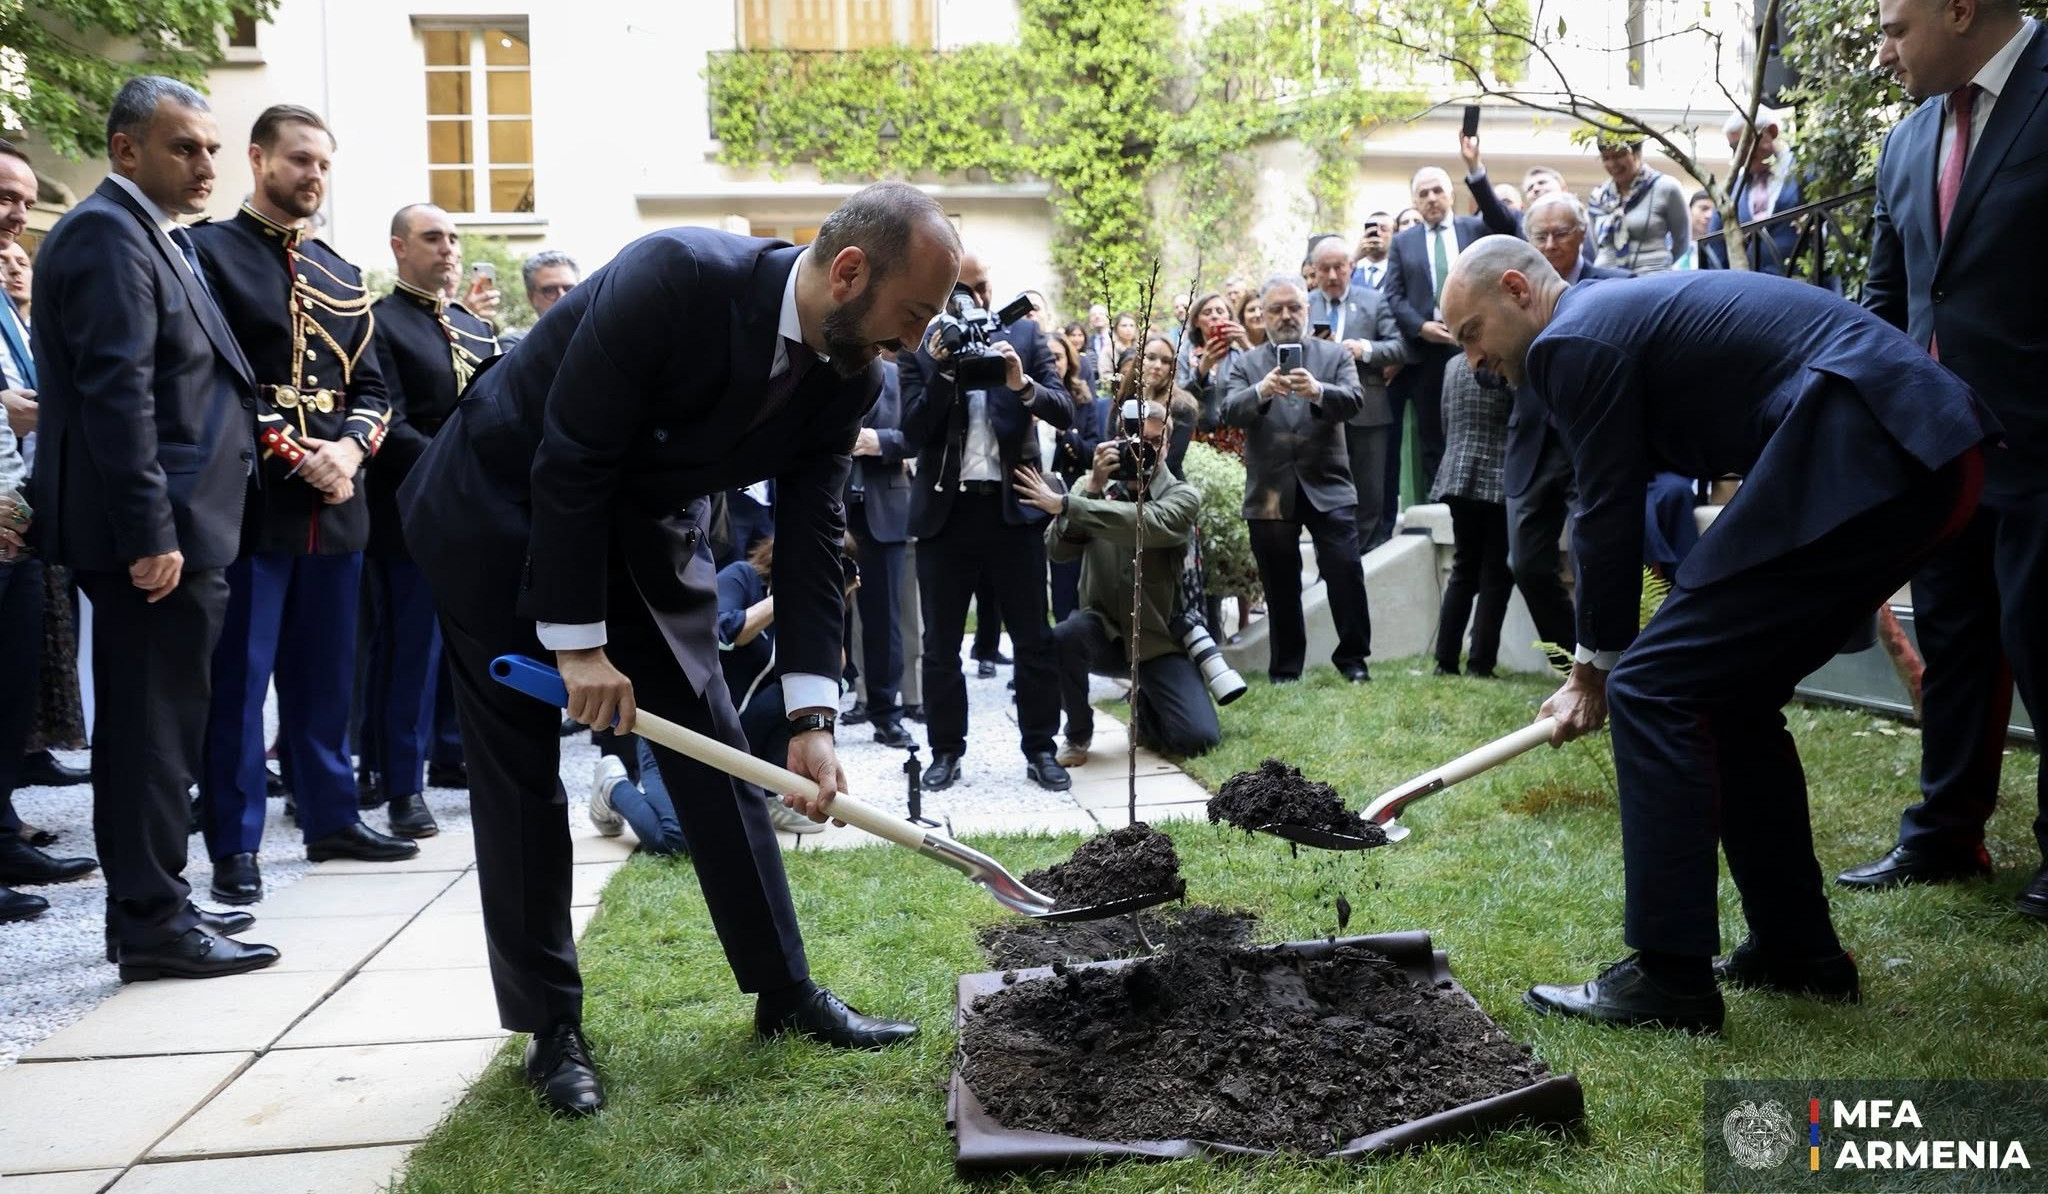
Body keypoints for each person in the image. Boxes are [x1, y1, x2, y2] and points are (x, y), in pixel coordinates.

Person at [401, 181, 955, 1115]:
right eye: (913, 314)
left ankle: (784, 993)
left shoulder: (854, 370)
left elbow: (815, 534)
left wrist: (815, 715)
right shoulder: (678, 275)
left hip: (644, 529)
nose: (916, 339)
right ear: (851, 272)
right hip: (498, 509)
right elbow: (571, 455)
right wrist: (577, 648)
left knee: (719, 747)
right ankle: (553, 1030)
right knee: (520, 772)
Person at [1443, 238, 1995, 1032]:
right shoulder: (1604, 320)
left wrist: (1594, 668)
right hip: (1921, 454)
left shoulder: (1571, 338)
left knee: (1653, 686)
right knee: (1727, 697)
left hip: (1877, 446)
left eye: (1469, 333)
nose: (1469, 360)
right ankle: (1797, 951)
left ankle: (1669, 977)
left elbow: (1605, 508)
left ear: (1518, 290)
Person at [30, 76, 277, 979]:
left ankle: (156, 903)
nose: (207, 163)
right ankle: (150, 923)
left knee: (163, 724)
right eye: (186, 147)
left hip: (187, 524)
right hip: (155, 537)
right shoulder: (104, 234)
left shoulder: (150, 234)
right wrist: (149, 532)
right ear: (127, 149)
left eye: (212, 147)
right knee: (148, 731)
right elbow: (116, 395)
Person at [1842, 0, 2047, 921]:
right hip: (1944, 452)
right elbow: (1890, 301)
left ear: (1961, 10)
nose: (1883, 51)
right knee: (1957, 640)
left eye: (1894, 28)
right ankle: (1945, 834)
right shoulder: (1908, 140)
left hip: (2043, 445)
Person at [189, 105, 419, 902]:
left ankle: (330, 818)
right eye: (298, 161)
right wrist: (301, 455)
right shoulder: (205, 253)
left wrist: (350, 450)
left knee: (328, 681)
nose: (312, 176)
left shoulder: (342, 273)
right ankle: (235, 842)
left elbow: (374, 387)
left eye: (323, 163)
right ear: (258, 160)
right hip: (255, 504)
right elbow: (213, 381)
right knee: (240, 685)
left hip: (339, 504)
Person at [899, 251, 1075, 793]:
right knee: (941, 646)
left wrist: (1021, 384)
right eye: (959, 290)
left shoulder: (1021, 336)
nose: (971, 299)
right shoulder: (921, 347)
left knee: (1033, 638)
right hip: (944, 515)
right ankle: (946, 751)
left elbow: (1063, 408)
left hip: (1012, 509)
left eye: (978, 287)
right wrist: (944, 371)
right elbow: (910, 433)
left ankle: (1041, 749)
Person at [360, 202, 500, 836]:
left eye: (452, 238)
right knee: (410, 655)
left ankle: (454, 752)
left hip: (473, 515)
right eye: (432, 238)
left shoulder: (471, 327)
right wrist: (460, 471)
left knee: (470, 649)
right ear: (399, 248)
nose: (447, 249)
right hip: (410, 513)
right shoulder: (378, 322)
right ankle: (401, 786)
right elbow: (387, 425)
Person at [0, 141, 98, 919]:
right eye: (4, 194)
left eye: (25, 201)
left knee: (12, 684)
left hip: (18, 513)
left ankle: (2, 828)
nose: (15, 214)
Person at [1021, 399, 1220, 766]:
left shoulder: (1181, 495)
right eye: (1134, 440)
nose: (1141, 449)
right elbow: (1058, 551)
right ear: (1117, 440)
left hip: (1160, 640)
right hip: (1105, 632)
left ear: (1166, 445)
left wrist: (1070, 504)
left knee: (1197, 739)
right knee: (1065, 635)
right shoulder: (1091, 487)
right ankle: (1078, 732)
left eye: (1152, 442)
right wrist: (1093, 486)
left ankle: (1145, 706)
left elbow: (1145, 523)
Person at [1221, 278, 1371, 683]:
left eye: (1294, 308)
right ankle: (1286, 670)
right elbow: (1229, 411)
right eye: (1276, 309)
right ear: (1263, 316)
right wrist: (1261, 391)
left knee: (1345, 573)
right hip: (1270, 491)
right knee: (1280, 584)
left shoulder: (1334, 354)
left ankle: (1354, 661)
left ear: (1307, 309)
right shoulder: (1246, 363)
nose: (1286, 316)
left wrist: (1319, 391)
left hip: (1329, 484)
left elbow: (1355, 402)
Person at [1502, 193, 1633, 655]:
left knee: (1592, 557)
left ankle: (1603, 665)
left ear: (1582, 234)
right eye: (1541, 235)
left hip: (1594, 438)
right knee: (1526, 562)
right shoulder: (1512, 294)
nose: (1551, 243)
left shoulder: (1615, 287)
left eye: (1561, 233)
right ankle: (1571, 665)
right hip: (1534, 441)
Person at [1381, 167, 1490, 545]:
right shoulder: (1403, 242)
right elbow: (1393, 294)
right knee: (1433, 434)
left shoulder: (1474, 230)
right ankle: (1439, 510)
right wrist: (1420, 327)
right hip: (1428, 352)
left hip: (1476, 345)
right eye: (1423, 193)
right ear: (1415, 200)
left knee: (1477, 427)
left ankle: (1478, 505)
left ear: (1450, 195)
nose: (1430, 199)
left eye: (1437, 191)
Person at [1307, 236, 1408, 554]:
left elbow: (1399, 346)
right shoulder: (1303, 303)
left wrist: (1362, 349)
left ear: (1351, 267)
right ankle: (1332, 561)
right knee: (1325, 491)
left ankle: (1366, 557)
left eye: (1339, 267)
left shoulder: (1374, 301)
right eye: (1325, 269)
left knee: (1370, 491)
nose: (1333, 276)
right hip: (1318, 413)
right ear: (1314, 271)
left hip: (1369, 409)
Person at [842, 345, 915, 749]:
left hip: (882, 513)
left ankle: (887, 714)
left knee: (884, 620)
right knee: (823, 617)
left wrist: (878, 440)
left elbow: (919, 437)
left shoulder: (899, 376)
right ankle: (816, 714)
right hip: (829, 510)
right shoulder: (825, 371)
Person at [1429, 356, 1514, 678]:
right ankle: (1480, 662)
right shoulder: (1500, 360)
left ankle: (1445, 660)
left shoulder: (1451, 364)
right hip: (1497, 474)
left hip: (1456, 473)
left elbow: (1445, 418)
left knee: (1464, 568)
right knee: (1495, 573)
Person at [1704, 108, 1804, 273]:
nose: (1741, 154)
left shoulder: (1806, 171)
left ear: (1771, 132)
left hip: (1804, 287)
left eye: (1747, 143)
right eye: (1734, 148)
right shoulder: (1730, 190)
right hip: (1750, 290)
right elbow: (1715, 250)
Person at [1587, 139, 1692, 275]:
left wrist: (1659, 266)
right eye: (1606, 158)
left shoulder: (1666, 187)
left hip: (1653, 278)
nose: (1612, 164)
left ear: (1638, 153)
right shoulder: (1598, 196)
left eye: (1619, 155)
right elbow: (1598, 245)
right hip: (1606, 280)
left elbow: (1682, 241)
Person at [496, 249, 579, 352]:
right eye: (549, 290)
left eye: (569, 288)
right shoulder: (515, 345)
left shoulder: (599, 335)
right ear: (531, 297)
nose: (562, 296)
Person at [1672, 191, 1717, 270]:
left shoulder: (1717, 252)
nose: (1709, 215)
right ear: (1688, 210)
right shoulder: (1665, 241)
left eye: (1715, 212)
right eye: (1704, 208)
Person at [1351, 212, 1394, 291]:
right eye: (1371, 229)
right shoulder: (1351, 270)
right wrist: (1355, 257)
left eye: (1383, 229)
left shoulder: (1399, 272)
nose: (1377, 233)